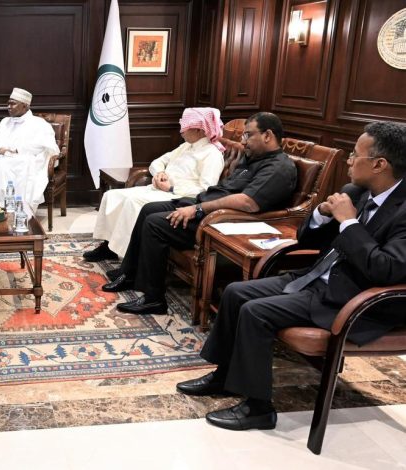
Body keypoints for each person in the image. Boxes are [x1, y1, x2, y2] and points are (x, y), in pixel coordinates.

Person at [177, 121, 406, 431]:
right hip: (320, 278)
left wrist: (349, 224)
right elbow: (306, 239)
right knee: (235, 292)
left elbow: (386, 269)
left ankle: (258, 408)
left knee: (255, 312)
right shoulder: (356, 192)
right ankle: (224, 376)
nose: (349, 161)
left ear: (379, 164)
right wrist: (321, 215)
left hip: (356, 300)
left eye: (355, 155)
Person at [103, 112, 297, 315]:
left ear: (267, 135)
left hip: (222, 221)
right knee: (149, 209)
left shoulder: (278, 168)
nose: (243, 141)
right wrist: (197, 204)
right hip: (206, 205)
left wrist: (198, 209)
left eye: (248, 135)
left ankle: (154, 299)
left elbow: (248, 203)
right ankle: (130, 273)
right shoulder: (253, 158)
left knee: (155, 223)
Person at [84, 107, 226, 261]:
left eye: (185, 127)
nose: (181, 131)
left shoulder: (212, 154)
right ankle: (108, 246)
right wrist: (160, 173)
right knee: (111, 195)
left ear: (199, 129)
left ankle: (129, 258)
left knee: (131, 202)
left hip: (178, 197)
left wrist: (171, 188)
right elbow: (157, 162)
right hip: (158, 189)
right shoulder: (186, 146)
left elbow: (206, 190)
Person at [0, 88, 59, 213]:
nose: (8, 107)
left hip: (27, 161)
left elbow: (48, 146)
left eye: (12, 104)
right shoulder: (5, 122)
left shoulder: (39, 124)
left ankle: (19, 211)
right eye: (8, 103)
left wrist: (17, 150)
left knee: (17, 166)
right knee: (0, 166)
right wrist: (0, 150)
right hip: (4, 160)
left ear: (25, 106)